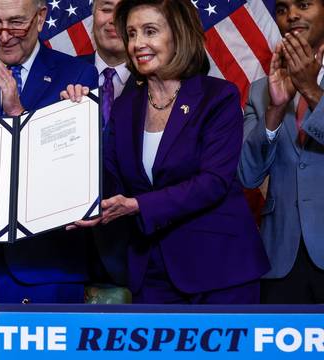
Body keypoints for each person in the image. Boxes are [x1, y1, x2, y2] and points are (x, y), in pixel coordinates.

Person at [64, 0, 269, 304]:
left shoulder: (218, 97)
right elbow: (110, 180)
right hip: (152, 272)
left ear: (178, 35)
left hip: (220, 271)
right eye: (132, 33)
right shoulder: (124, 107)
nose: (137, 44)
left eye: (150, 31)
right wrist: (74, 122)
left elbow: (212, 182)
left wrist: (138, 205)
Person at [0, 0, 97, 358]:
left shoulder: (77, 76)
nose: (4, 35)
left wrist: (17, 113)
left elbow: (76, 176)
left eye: (16, 23)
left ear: (41, 18)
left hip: (45, 262)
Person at [238, 0, 324, 304]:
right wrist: (275, 110)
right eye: (282, 9)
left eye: (303, 5)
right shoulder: (261, 89)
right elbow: (247, 174)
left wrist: (312, 91)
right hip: (280, 259)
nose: (292, 16)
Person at [79, 0, 132, 290]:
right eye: (106, 8)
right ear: (93, 14)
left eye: (125, 10)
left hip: (133, 251)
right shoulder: (63, 76)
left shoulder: (162, 84)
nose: (113, 20)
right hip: (63, 252)